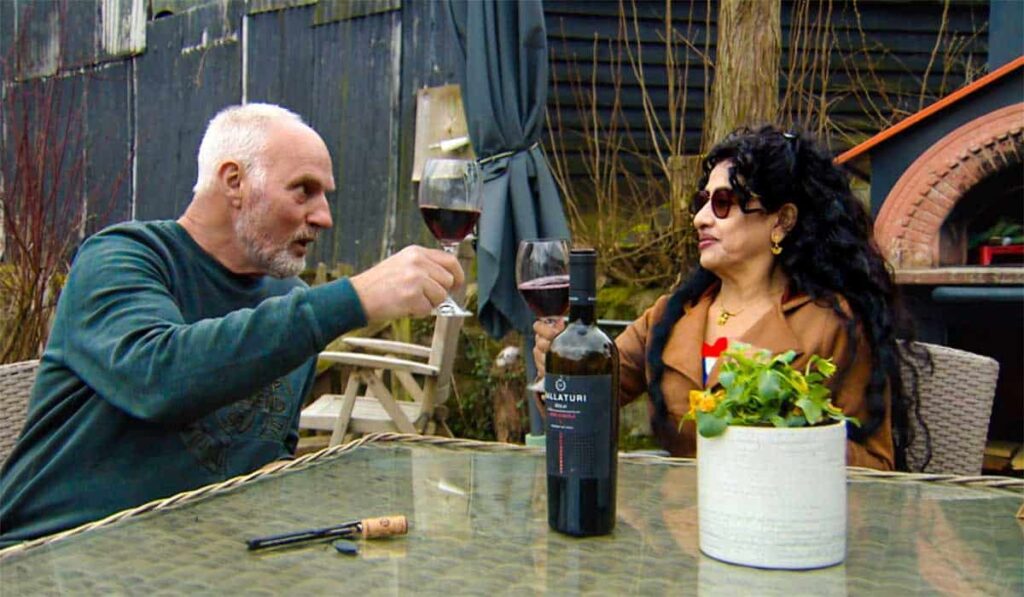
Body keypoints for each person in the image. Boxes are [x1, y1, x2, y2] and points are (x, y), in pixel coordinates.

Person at [0, 103, 463, 545]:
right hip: (51, 552)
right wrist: (353, 298)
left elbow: (264, 456)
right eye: (304, 190)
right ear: (234, 181)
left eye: (325, 196)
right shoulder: (121, 259)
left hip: (194, 558)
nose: (324, 217)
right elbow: (157, 377)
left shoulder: (289, 302)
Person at [535, 125, 924, 471]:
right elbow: (584, 406)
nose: (700, 218)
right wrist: (562, 368)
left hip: (778, 536)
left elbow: (876, 467)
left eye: (722, 203)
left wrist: (793, 445)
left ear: (782, 220)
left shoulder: (834, 323)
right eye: (701, 202)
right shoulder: (670, 316)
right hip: (674, 533)